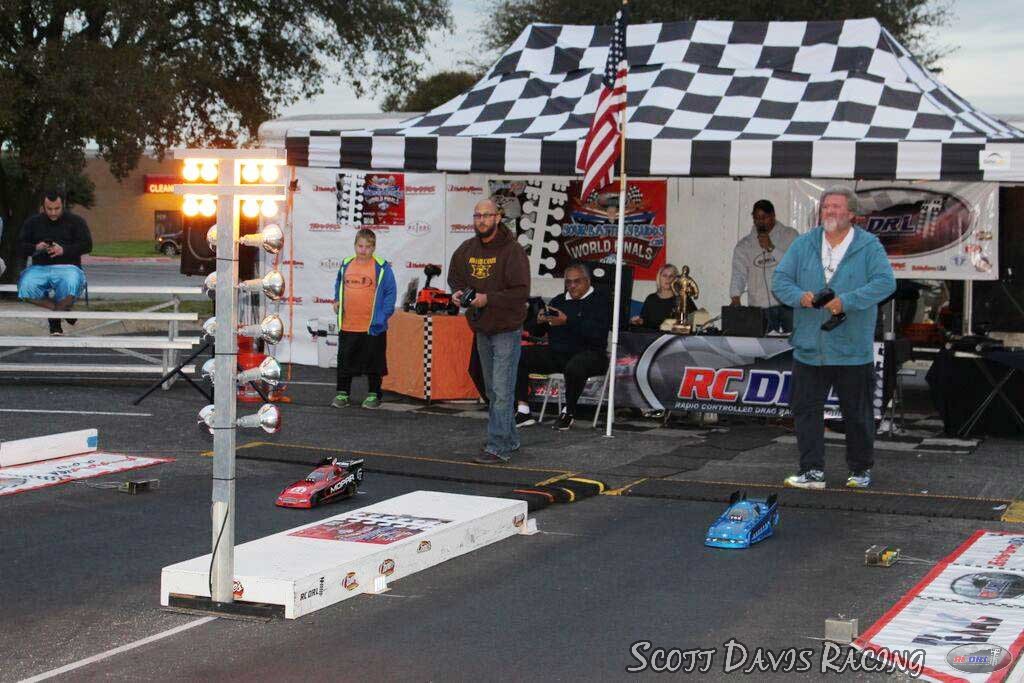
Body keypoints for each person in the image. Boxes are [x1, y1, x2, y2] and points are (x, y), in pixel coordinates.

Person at [772, 186, 895, 490]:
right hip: (809, 348)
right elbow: (780, 281)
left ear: (851, 213)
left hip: (852, 350)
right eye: (826, 206)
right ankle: (812, 471)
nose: (829, 211)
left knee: (857, 414)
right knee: (806, 412)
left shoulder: (869, 246)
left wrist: (846, 302)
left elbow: (885, 283)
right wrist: (800, 297)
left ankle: (860, 470)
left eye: (836, 207)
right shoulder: (804, 243)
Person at [449, 199, 530, 464]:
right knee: (494, 391)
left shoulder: (512, 251)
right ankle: (510, 438)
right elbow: (455, 276)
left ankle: (498, 447)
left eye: (486, 215)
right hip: (482, 328)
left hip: (506, 329)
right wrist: (458, 292)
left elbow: (521, 292)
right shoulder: (467, 249)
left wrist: (488, 299)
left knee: (502, 391)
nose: (481, 220)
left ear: (498, 217)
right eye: (477, 215)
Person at [514, 262, 611, 431]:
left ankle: (569, 411)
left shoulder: (601, 301)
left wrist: (567, 321)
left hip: (591, 354)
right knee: (518, 354)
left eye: (577, 281)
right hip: (558, 353)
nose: (572, 286)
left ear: (588, 281)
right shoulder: (558, 300)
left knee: (575, 365)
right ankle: (523, 410)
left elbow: (597, 334)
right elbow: (537, 332)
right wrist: (539, 321)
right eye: (568, 282)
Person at [330, 228, 397, 409]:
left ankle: (374, 395)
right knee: (344, 362)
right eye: (360, 246)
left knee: (374, 363)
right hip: (348, 325)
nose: (363, 250)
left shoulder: (382, 267)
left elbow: (390, 292)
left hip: (372, 327)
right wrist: (336, 300)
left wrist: (383, 316)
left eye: (367, 247)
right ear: (354, 246)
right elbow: (339, 284)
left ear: (373, 248)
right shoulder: (346, 264)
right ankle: (342, 394)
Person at [17, 190, 92, 336]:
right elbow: (20, 246)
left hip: (69, 267)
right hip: (40, 267)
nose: (53, 212)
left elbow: (87, 245)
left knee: (70, 284)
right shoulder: (32, 222)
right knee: (25, 288)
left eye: (57, 208)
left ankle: (54, 321)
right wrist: (36, 247)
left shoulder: (76, 221)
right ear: (43, 207)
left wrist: (63, 250)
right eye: (49, 209)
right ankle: (62, 310)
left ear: (63, 204)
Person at [730, 200, 798, 333]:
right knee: (762, 346)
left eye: (764, 217)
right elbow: (739, 273)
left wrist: (771, 248)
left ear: (773, 215)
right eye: (756, 218)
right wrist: (735, 296)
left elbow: (795, 266)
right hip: (760, 308)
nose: (760, 222)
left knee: (793, 344)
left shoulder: (790, 235)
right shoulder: (744, 245)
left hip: (788, 305)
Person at [630, 263, 694, 331]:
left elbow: (695, 321)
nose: (668, 279)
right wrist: (638, 322)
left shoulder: (683, 299)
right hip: (653, 336)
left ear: (676, 279)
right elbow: (644, 323)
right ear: (659, 278)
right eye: (664, 275)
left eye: (671, 276)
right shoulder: (651, 299)